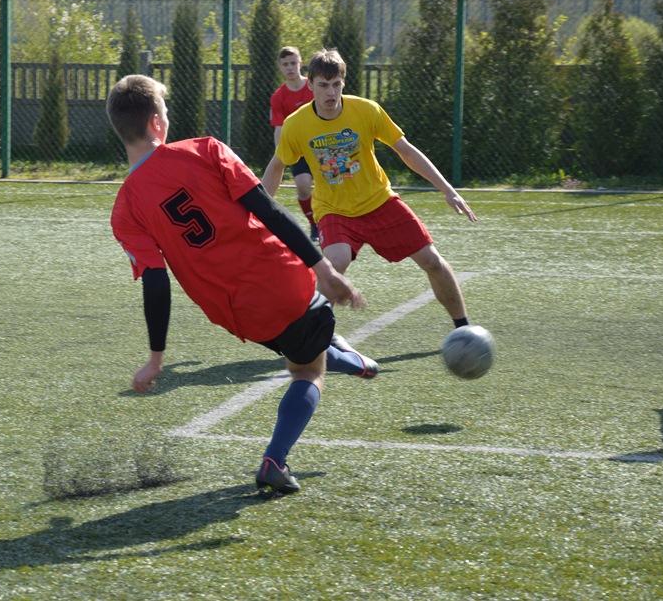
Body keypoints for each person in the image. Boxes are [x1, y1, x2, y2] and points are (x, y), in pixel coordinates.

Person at [107, 74, 366, 494]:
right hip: (281, 281)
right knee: (308, 370)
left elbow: (155, 282)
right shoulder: (205, 150)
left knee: (301, 343)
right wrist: (323, 268)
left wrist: (156, 359)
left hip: (235, 314)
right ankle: (274, 460)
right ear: (156, 122)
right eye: (166, 112)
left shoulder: (124, 208)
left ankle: (355, 362)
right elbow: (268, 209)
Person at [263, 48, 477, 333]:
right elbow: (277, 166)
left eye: (336, 84)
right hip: (334, 210)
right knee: (334, 265)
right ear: (310, 85)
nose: (331, 92)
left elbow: (405, 150)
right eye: (323, 85)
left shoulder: (366, 110)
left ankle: (463, 328)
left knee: (432, 261)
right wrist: (259, 211)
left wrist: (447, 189)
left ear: (343, 83)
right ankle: (306, 337)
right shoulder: (296, 124)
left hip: (380, 201)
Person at [270, 46, 318, 240]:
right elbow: (279, 128)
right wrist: (279, 156)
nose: (290, 67)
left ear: (301, 64)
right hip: (300, 150)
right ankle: (315, 225)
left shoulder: (315, 87)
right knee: (303, 186)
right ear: (280, 67)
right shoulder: (278, 97)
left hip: (323, 145)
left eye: (293, 63)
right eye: (285, 64)